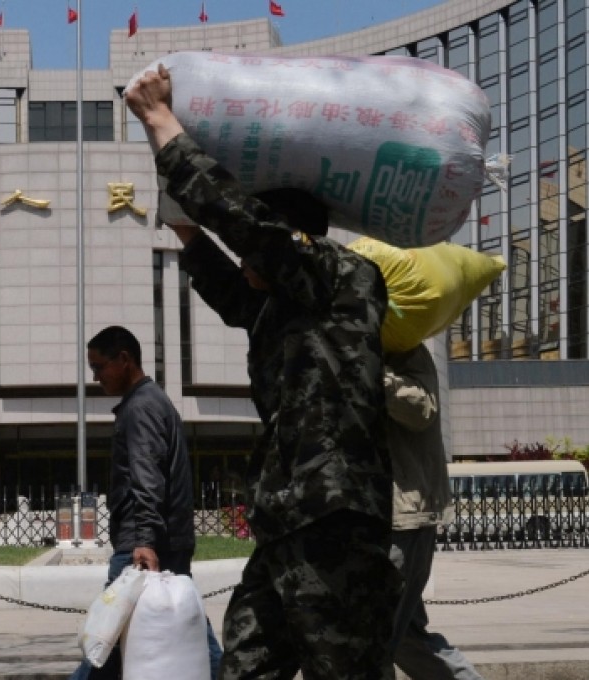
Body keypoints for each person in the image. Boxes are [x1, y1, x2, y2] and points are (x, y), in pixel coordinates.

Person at [125, 64, 401, 680]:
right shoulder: (282, 308)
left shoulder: (341, 279)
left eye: (252, 252)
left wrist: (164, 125)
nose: (242, 261)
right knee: (246, 664)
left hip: (334, 519)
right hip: (286, 520)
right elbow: (227, 286)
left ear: (285, 243)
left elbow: (249, 227)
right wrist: (189, 235)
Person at [71, 325, 221, 680]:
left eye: (99, 366)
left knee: (105, 639)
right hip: (161, 541)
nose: (95, 377)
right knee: (190, 633)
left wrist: (144, 540)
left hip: (144, 545)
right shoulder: (153, 401)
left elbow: (147, 477)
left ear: (124, 360)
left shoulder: (141, 407)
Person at [384, 342, 485, 680]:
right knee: (406, 638)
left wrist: (369, 372)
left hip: (402, 516)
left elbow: (421, 409)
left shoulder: (403, 348)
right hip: (363, 516)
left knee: (374, 635)